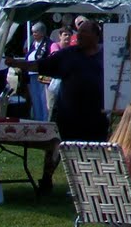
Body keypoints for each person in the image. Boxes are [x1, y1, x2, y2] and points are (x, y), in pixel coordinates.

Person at [7, 16, 108, 194]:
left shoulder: (106, 56)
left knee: (95, 150)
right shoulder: (68, 55)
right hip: (69, 114)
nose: (80, 36)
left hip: (96, 114)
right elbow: (40, 65)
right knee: (64, 148)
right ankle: (51, 180)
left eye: (85, 33)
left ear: (96, 35)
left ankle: (92, 186)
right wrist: (17, 63)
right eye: (79, 32)